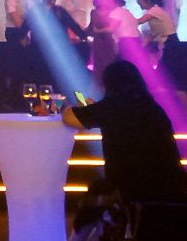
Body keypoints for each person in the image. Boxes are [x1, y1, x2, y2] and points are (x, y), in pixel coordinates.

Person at [63, 61, 187, 208]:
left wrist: (75, 107)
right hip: (171, 186)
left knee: (95, 194)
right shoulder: (153, 108)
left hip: (129, 188)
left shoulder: (110, 107)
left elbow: (69, 118)